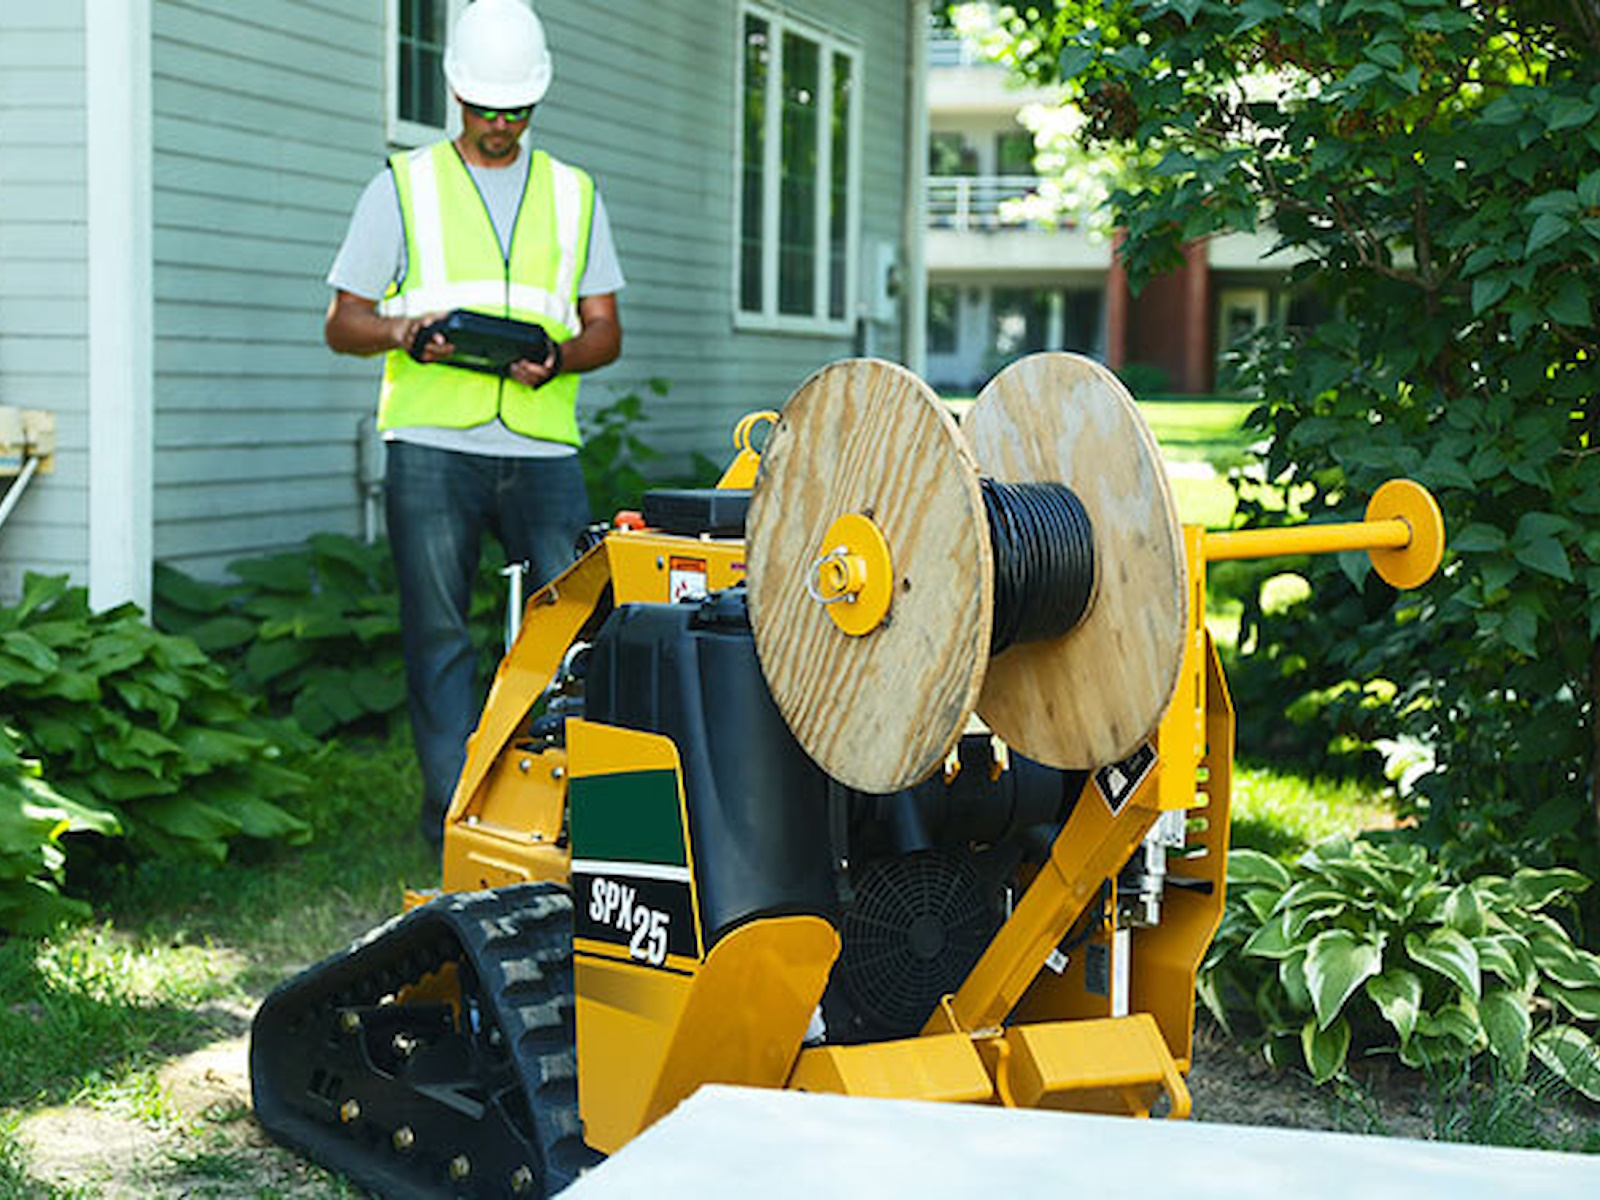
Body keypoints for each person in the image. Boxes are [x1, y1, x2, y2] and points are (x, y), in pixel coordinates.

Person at [324, 0, 624, 848]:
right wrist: (403, 332)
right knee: (440, 638)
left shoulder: (574, 193)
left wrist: (559, 357)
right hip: (432, 446)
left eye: (517, 109)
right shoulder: (402, 187)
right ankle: (455, 823)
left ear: (538, 99)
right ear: (457, 92)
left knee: (572, 634)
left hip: (542, 450)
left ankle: (553, 823)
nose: (501, 124)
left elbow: (605, 330)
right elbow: (343, 322)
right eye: (488, 108)